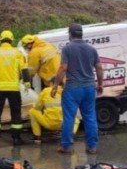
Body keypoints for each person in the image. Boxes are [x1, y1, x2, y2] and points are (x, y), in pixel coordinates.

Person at [51, 23, 104, 154]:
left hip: (73, 89)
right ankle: (92, 147)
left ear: (70, 34)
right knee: (90, 117)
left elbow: (63, 68)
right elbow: (99, 68)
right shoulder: (92, 49)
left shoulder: (67, 49)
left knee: (69, 117)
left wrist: (55, 86)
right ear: (81, 34)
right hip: (89, 88)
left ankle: (67, 147)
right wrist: (101, 84)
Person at [0, 30, 31, 148]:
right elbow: (24, 70)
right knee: (16, 113)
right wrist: (26, 84)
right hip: (14, 89)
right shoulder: (17, 53)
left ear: (0, 40)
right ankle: (16, 138)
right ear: (11, 40)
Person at [29, 77, 80, 144]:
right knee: (76, 119)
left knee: (32, 111)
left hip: (48, 123)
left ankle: (37, 137)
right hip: (62, 124)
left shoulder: (45, 91)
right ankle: (69, 137)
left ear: (51, 83)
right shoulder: (65, 91)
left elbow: (37, 107)